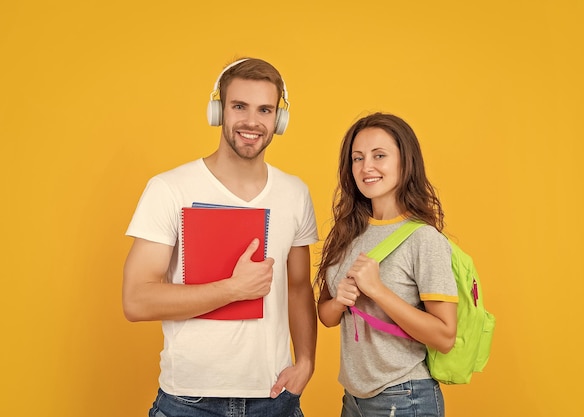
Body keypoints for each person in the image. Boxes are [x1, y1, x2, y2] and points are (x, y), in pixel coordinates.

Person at [123, 57, 318, 417]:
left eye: (264, 109)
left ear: (279, 119)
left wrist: (306, 361)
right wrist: (233, 288)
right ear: (219, 111)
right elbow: (136, 300)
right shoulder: (169, 189)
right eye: (239, 106)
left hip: (275, 397)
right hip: (189, 401)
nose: (251, 121)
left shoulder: (295, 193)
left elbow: (298, 287)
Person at [316, 113, 458, 417]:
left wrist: (379, 291)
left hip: (405, 395)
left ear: (405, 163)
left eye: (379, 155)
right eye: (357, 158)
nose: (366, 167)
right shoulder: (348, 231)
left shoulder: (423, 239)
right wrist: (340, 302)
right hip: (354, 397)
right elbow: (326, 316)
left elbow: (445, 337)